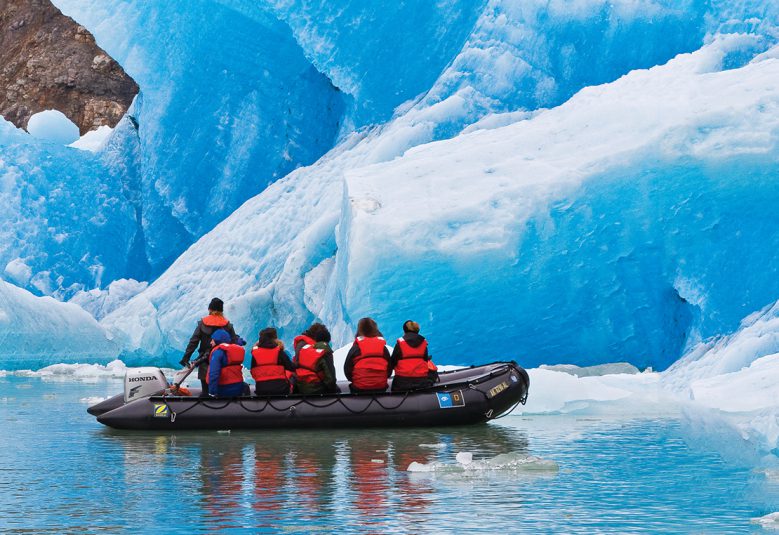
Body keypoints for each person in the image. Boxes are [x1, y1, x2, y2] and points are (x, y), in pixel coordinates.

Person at [180, 297, 244, 395]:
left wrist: (186, 358)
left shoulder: (202, 324)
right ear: (222, 310)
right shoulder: (227, 325)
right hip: (224, 364)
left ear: (209, 309)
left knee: (206, 393)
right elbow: (233, 343)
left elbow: (193, 342)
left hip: (204, 363)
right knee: (224, 393)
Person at [344, 317, 391, 393]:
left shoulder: (356, 348)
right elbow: (389, 370)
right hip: (381, 387)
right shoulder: (383, 348)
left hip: (359, 388)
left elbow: (347, 370)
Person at [390, 320, 437, 391]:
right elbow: (425, 361)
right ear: (417, 330)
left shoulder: (400, 344)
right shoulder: (424, 344)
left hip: (402, 383)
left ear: (404, 331)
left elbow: (392, 362)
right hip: (422, 382)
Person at [293, 323, 337, 395]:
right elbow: (330, 378)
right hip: (315, 387)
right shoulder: (320, 349)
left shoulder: (302, 345)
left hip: (300, 384)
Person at [250, 327, 296, 396]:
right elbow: (291, 367)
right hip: (281, 389)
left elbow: (253, 373)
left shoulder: (255, 353)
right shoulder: (279, 352)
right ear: (274, 338)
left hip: (261, 389)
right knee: (293, 377)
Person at [206, 328, 249, 397]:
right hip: (238, 387)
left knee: (205, 394)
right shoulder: (235, 348)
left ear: (217, 341)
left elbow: (214, 374)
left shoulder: (218, 353)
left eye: (212, 340)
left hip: (224, 388)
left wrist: (212, 393)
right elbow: (240, 342)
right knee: (245, 386)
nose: (211, 342)